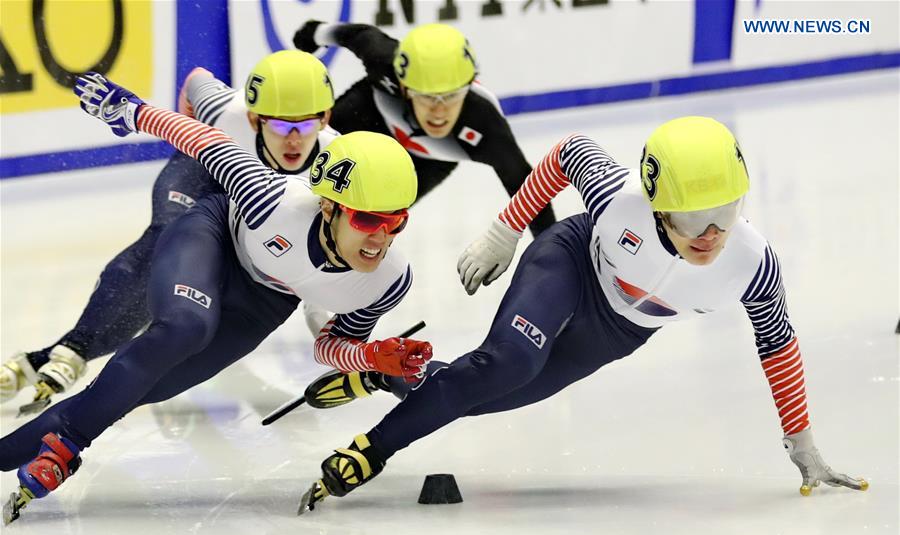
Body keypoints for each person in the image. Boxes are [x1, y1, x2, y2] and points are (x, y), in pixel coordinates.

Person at [296, 116, 867, 511]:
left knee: (481, 397)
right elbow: (567, 153)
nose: (711, 234)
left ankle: (385, 375)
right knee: (508, 362)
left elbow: (779, 347)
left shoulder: (751, 261)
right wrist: (505, 231)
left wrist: (804, 446)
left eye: (726, 211)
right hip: (568, 263)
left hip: (619, 330)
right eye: (692, 218)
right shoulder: (619, 202)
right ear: (655, 201)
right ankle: (372, 451)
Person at [0, 72, 432, 524]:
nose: (380, 238)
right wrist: (127, 109)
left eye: (395, 222)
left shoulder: (388, 281)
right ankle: (68, 443)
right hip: (213, 237)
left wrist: (370, 356)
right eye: (366, 220)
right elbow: (205, 140)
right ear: (329, 206)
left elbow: (329, 347)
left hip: (265, 301)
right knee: (186, 327)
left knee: (138, 389)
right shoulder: (271, 199)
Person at [0, 50, 338, 413]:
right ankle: (75, 350)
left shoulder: (334, 166)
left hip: (247, 206)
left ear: (325, 118)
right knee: (166, 240)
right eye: (280, 125)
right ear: (254, 118)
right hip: (202, 173)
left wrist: (336, 346)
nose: (293, 140)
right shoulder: (224, 110)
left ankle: (50, 357)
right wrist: (185, 133)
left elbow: (319, 269)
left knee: (183, 296)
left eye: (304, 126)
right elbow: (196, 78)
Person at [294, 21, 557, 237]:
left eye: (453, 95)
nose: (440, 111)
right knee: (297, 157)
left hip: (429, 160)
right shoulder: (383, 60)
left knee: (370, 217)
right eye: (427, 96)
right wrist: (315, 32)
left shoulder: (484, 125)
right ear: (404, 87)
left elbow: (530, 194)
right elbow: (358, 34)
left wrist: (554, 256)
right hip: (368, 114)